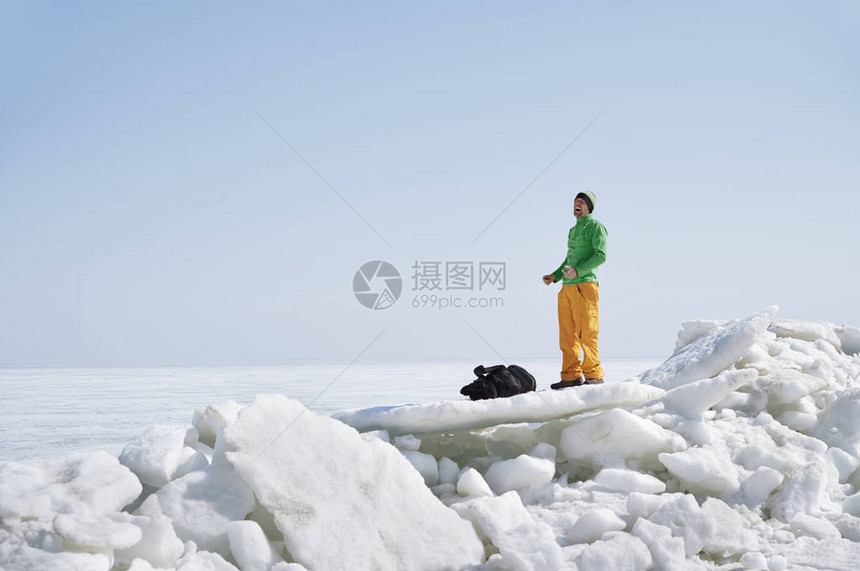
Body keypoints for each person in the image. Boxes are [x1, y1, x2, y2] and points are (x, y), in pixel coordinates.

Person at [542, 191, 608, 389]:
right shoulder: (573, 230)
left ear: (589, 206)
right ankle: (571, 376)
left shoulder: (596, 226)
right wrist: (555, 276)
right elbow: (568, 261)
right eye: (575, 201)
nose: (577, 204)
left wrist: (578, 271)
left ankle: (594, 375)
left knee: (586, 332)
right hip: (567, 288)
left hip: (585, 286)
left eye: (582, 201)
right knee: (567, 335)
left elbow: (601, 255)